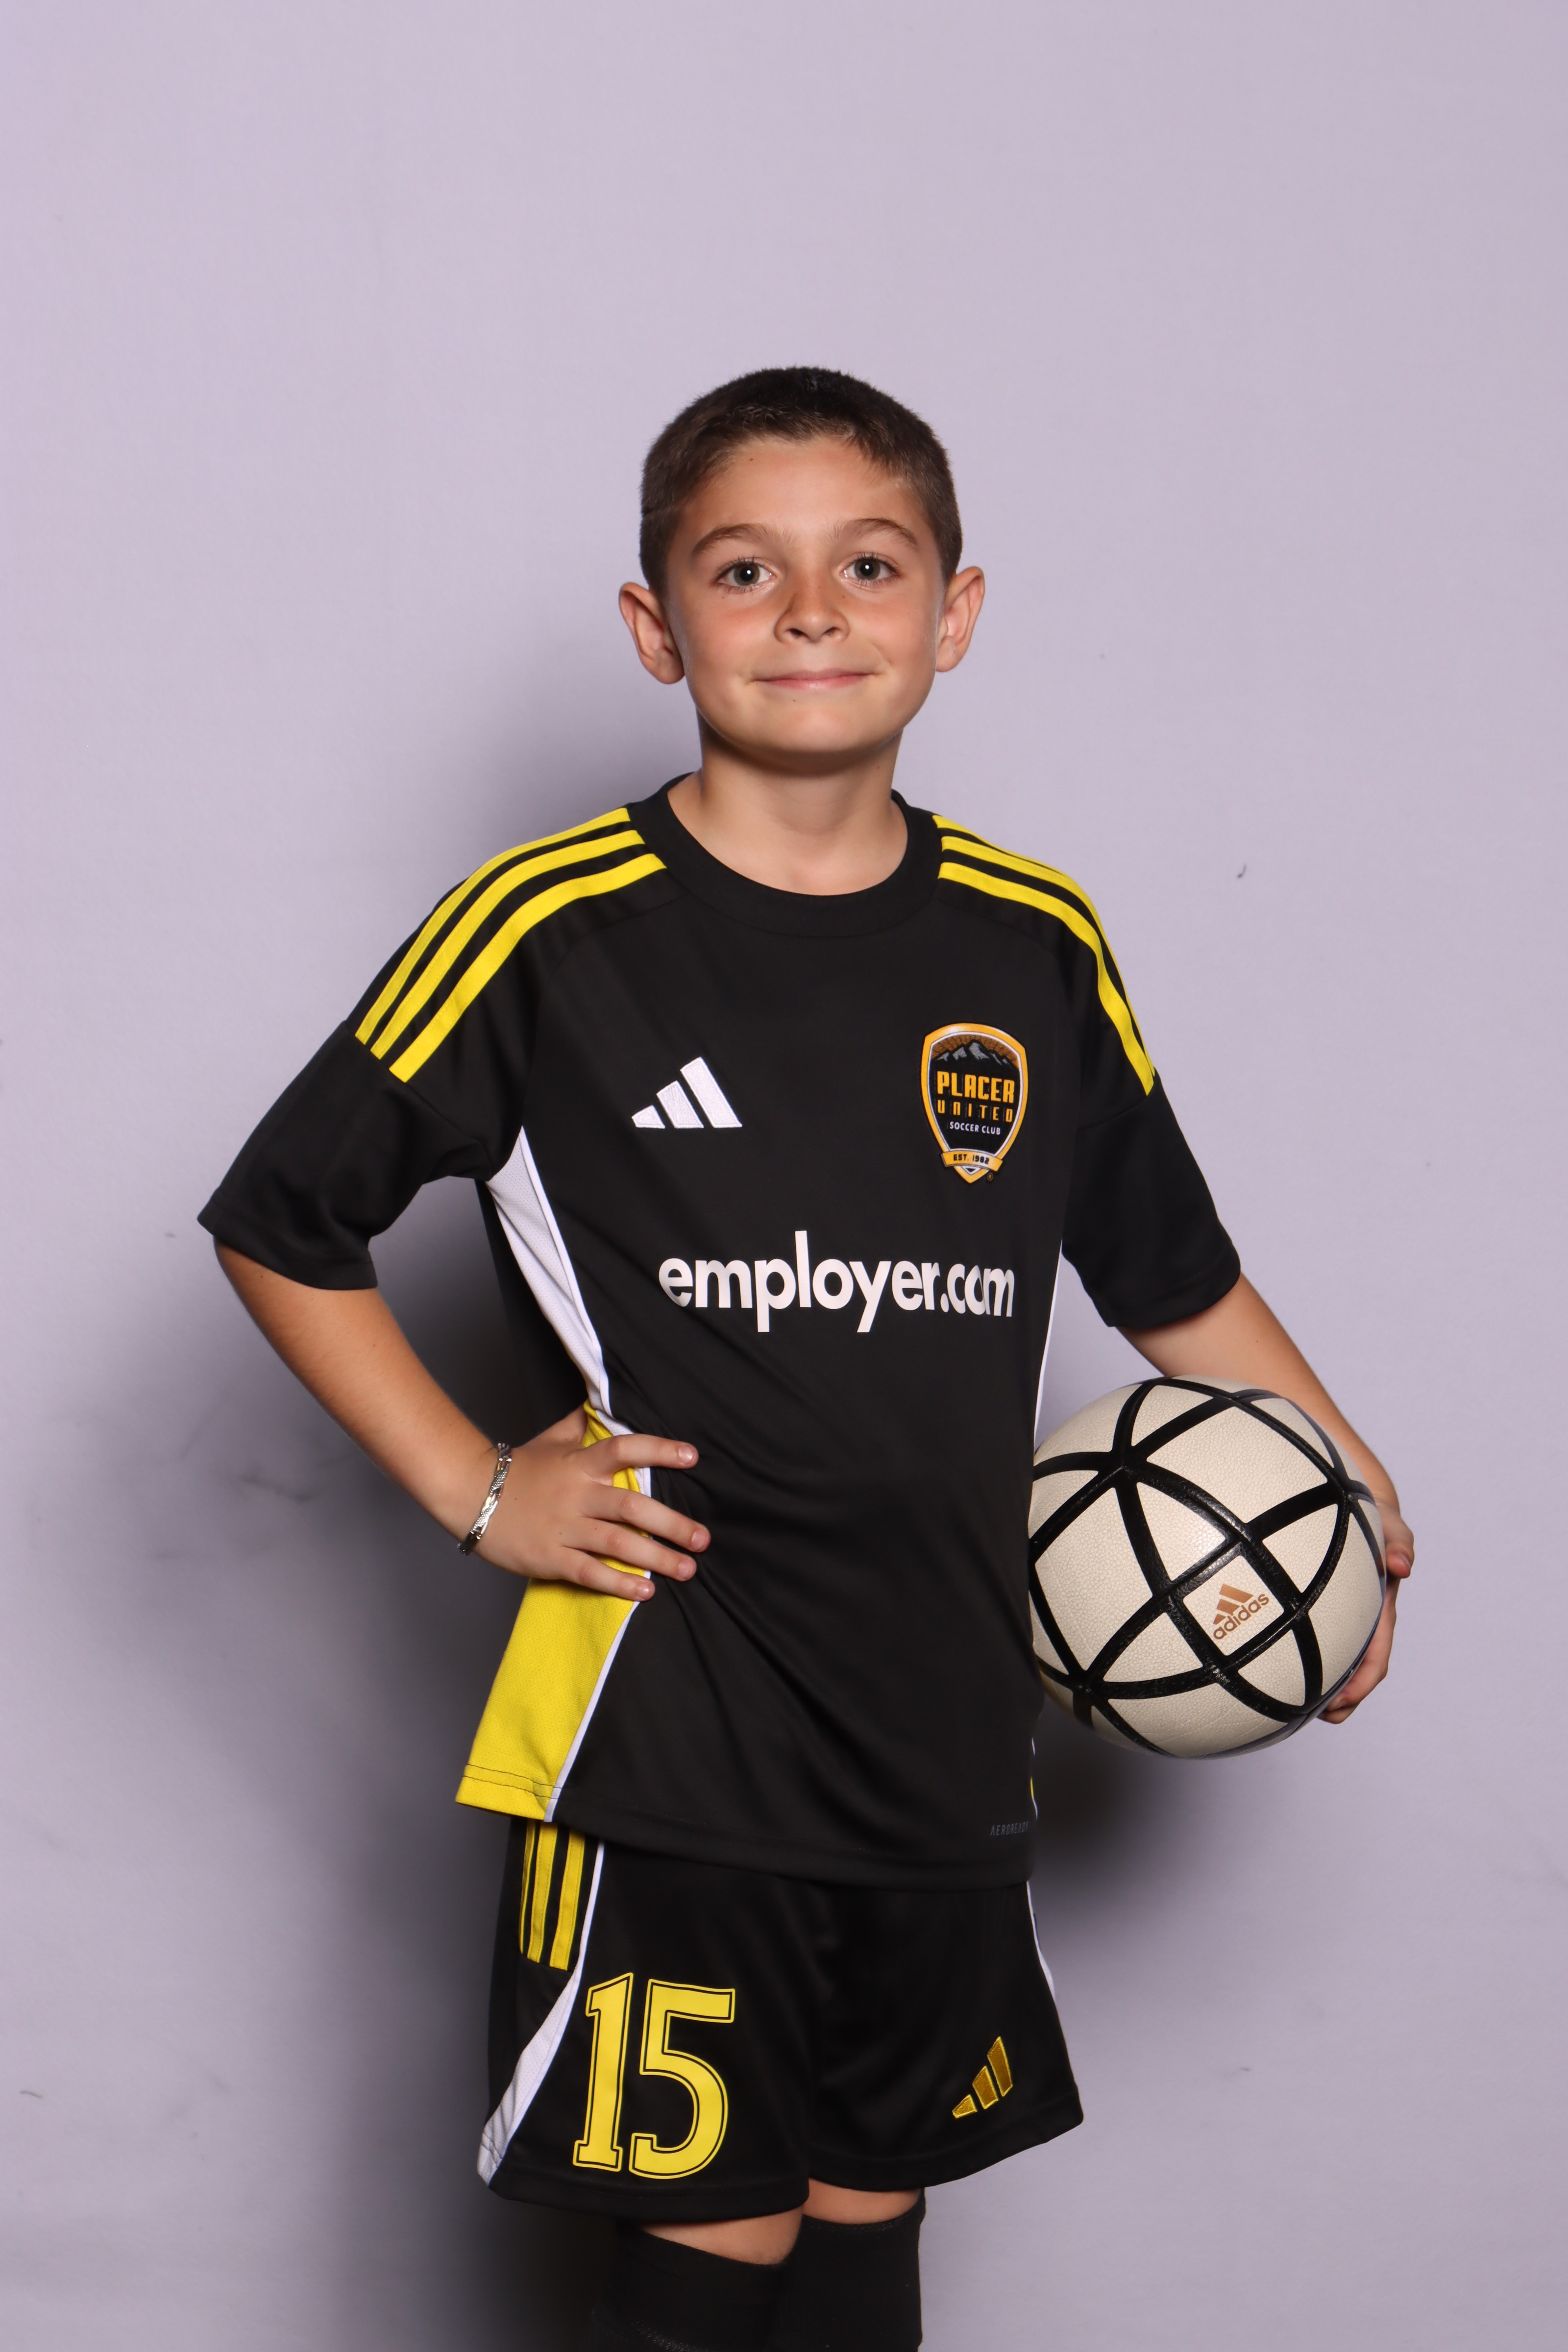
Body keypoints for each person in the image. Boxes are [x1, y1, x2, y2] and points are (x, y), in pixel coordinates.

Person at [200, 368, 1413, 2352]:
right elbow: (280, 1217)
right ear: (655, 625)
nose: (810, 612)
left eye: (869, 565)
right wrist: (481, 1487)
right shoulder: (548, 928)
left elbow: (1172, 1277)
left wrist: (1343, 1509)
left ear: (954, 612)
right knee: (713, 2254)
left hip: (944, 1726)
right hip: (670, 1732)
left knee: (865, 2225)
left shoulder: (1031, 942)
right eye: (742, 570)